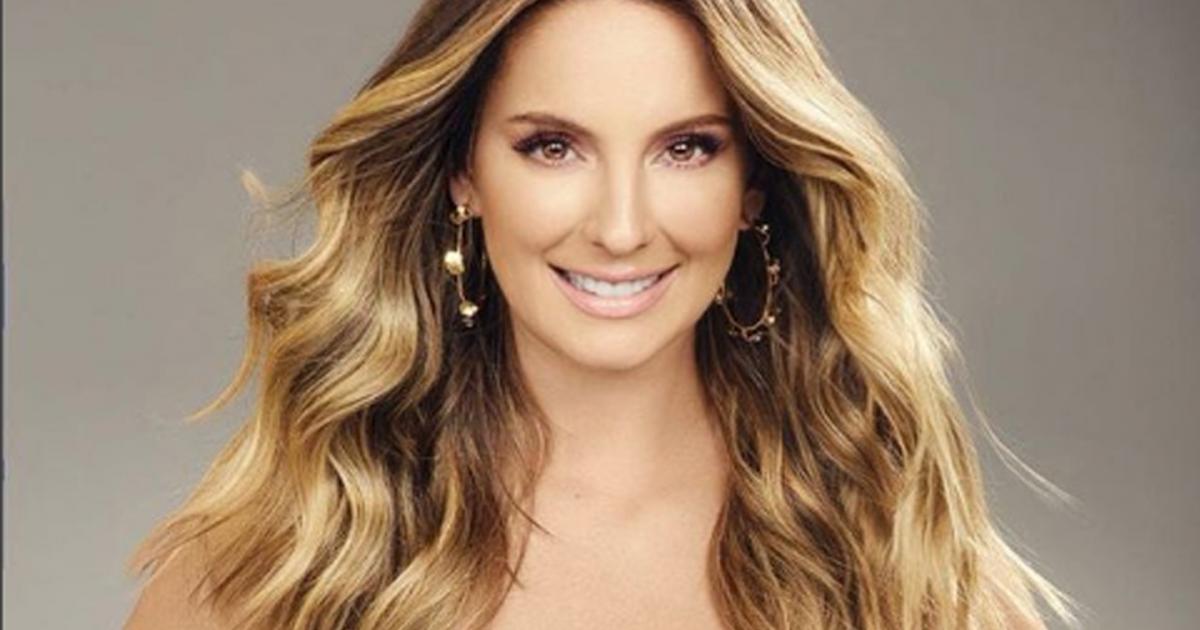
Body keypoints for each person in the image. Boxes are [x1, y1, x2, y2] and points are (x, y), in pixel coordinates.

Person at [124, 1, 1079, 628]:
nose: (621, 229)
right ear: (463, 172)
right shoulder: (279, 563)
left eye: (687, 149)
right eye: (552, 147)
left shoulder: (897, 556)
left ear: (754, 182)